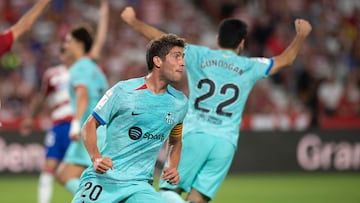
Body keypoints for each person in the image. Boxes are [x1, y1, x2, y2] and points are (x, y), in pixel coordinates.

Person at [121, 6, 312, 203]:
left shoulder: (199, 55)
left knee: (169, 191)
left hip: (195, 135)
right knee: (198, 198)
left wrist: (134, 22)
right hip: (225, 143)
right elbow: (286, 60)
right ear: (241, 44)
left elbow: (163, 42)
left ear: (218, 39)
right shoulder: (250, 65)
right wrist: (301, 35)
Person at [71, 34, 188, 203]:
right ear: (158, 61)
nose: (182, 62)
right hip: (105, 180)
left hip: (139, 186)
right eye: (177, 56)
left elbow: (175, 139)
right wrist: (96, 157)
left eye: (183, 57)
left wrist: (173, 166)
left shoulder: (180, 102)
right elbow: (89, 124)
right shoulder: (123, 91)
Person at [55, 0, 109, 195]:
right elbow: (99, 41)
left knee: (65, 174)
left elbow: (82, 95)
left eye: (68, 41)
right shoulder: (92, 63)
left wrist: (76, 124)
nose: (65, 45)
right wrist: (104, 13)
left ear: (78, 44)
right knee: (70, 174)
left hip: (90, 129)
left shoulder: (78, 67)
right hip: (103, 128)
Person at [19, 46, 73, 203]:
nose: (65, 55)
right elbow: (42, 97)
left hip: (78, 124)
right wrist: (31, 118)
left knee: (81, 170)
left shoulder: (84, 70)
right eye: (62, 52)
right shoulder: (52, 74)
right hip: (58, 125)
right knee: (49, 167)